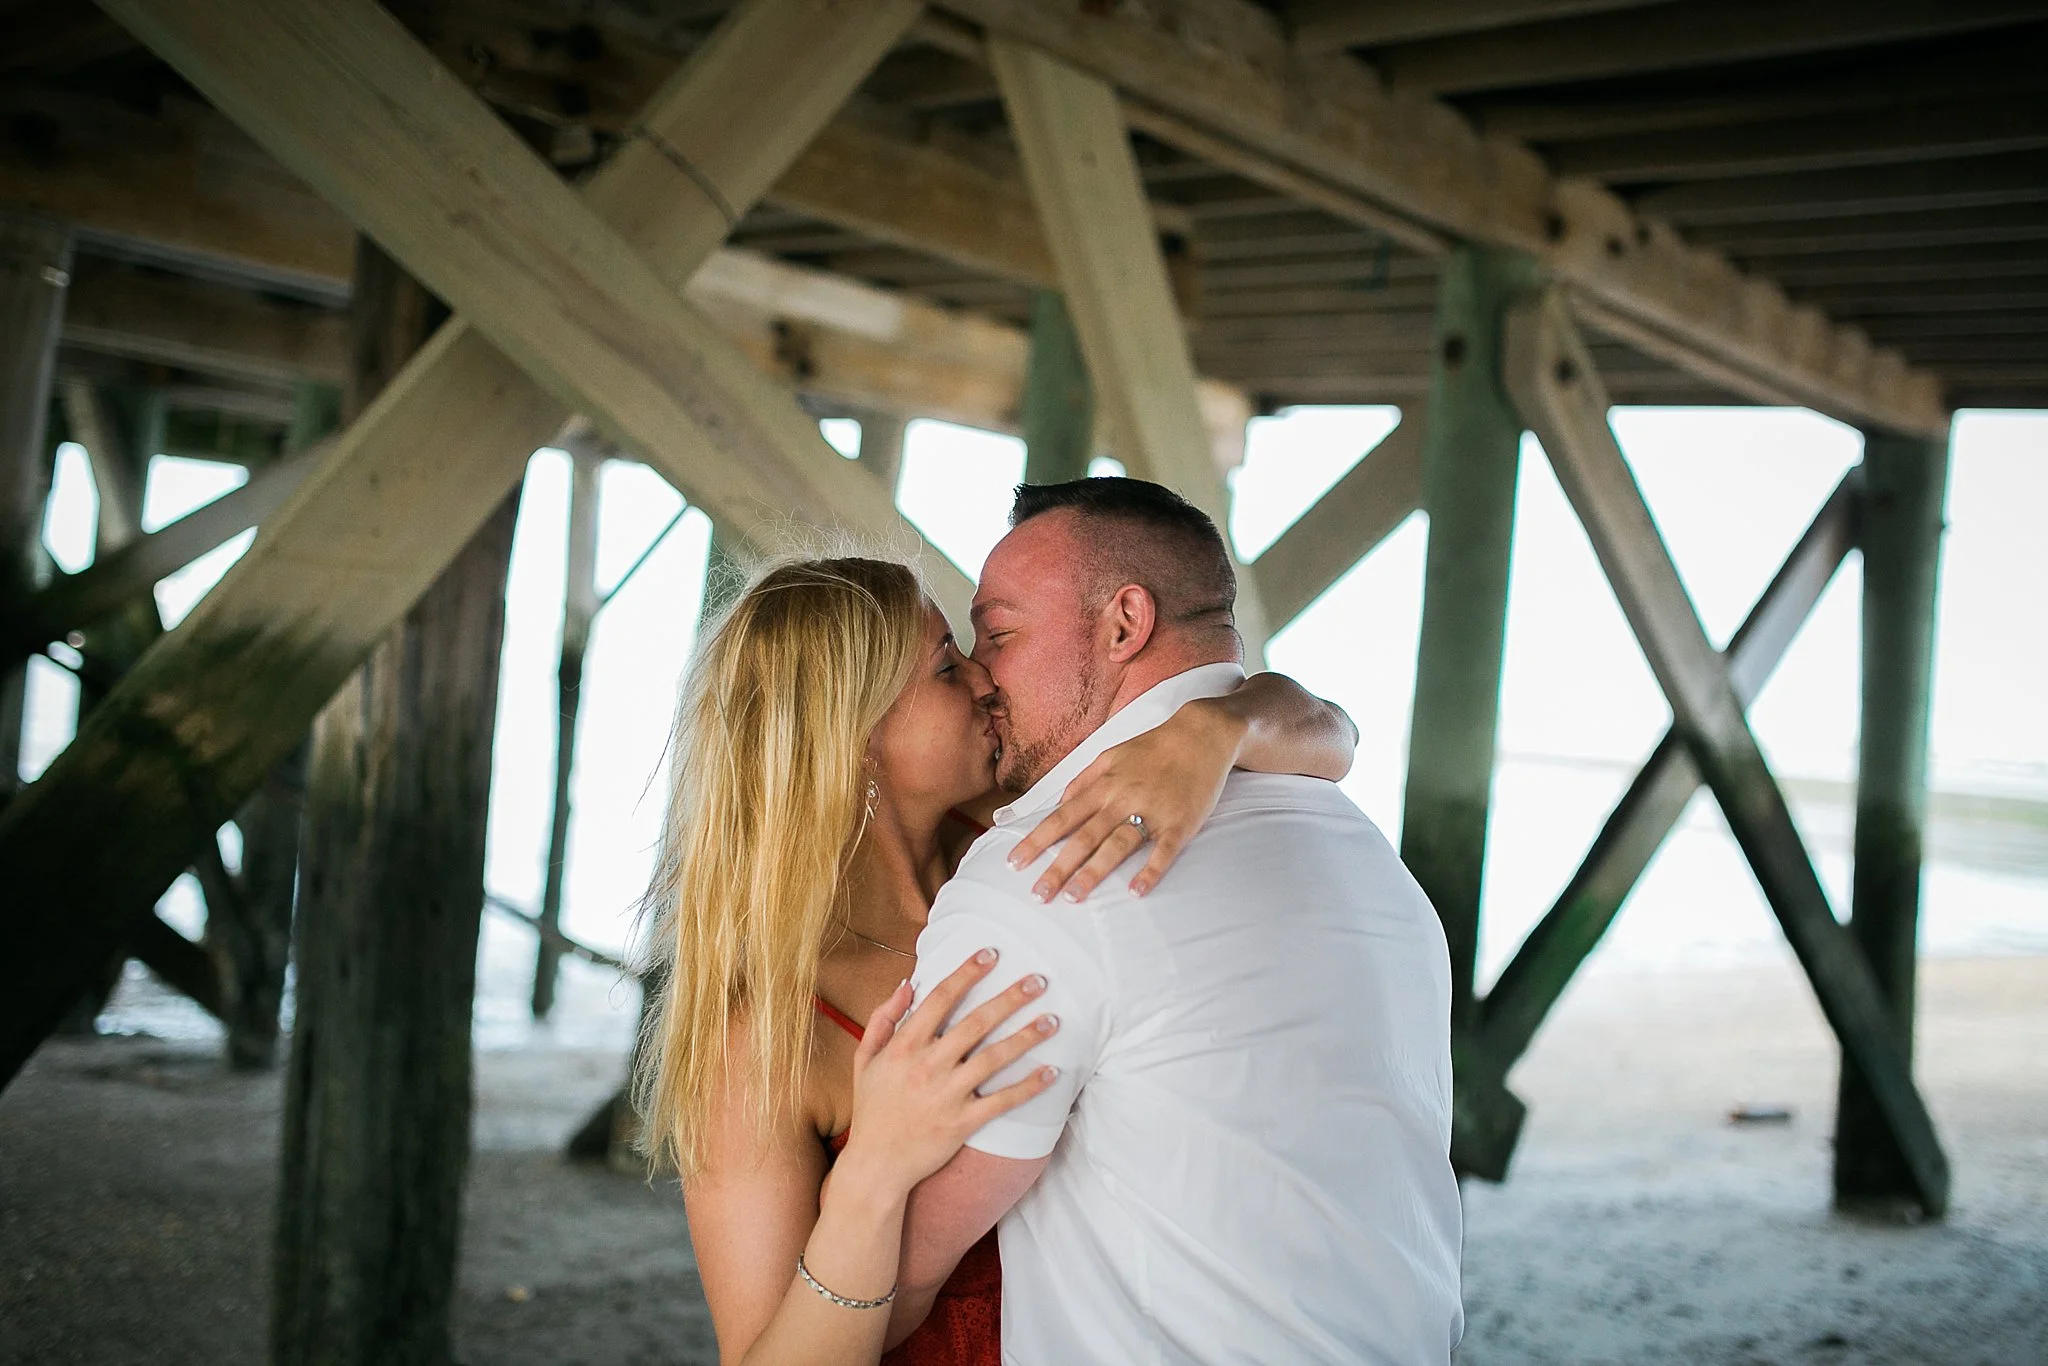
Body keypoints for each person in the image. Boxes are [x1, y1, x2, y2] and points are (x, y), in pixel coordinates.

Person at [634, 555, 1359, 1365]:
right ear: (857, 736)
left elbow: (1330, 729)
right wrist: (874, 1171)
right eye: (947, 666)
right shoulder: (767, 1034)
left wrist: (1216, 727)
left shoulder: (1032, 838)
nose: (985, 679)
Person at [897, 479, 1466, 1364]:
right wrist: (1228, 719)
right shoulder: (1353, 841)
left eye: (998, 633)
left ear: (1125, 623)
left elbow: (898, 1279)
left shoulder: (1046, 874)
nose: (978, 672)